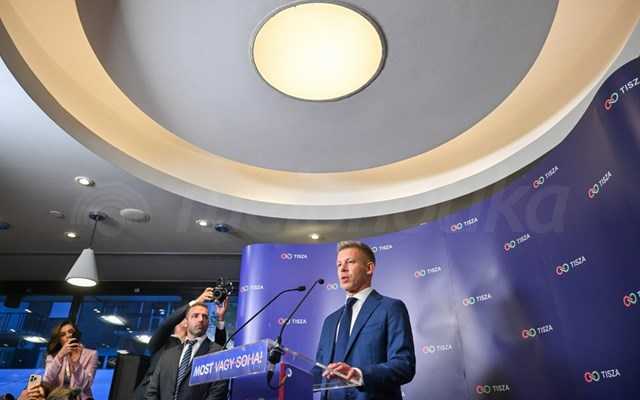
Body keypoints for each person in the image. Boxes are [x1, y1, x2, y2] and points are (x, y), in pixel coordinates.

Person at [315, 241, 416, 400]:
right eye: (339, 264)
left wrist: (359, 374)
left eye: (350, 262)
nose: (342, 268)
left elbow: (404, 365)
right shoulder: (330, 321)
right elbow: (319, 370)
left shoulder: (390, 308)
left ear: (369, 268)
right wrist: (287, 377)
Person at [134, 288, 228, 400]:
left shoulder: (204, 346)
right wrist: (197, 302)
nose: (200, 319)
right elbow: (167, 324)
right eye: (194, 315)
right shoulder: (165, 346)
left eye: (205, 316)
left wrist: (220, 318)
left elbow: (217, 351)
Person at [43, 321, 98, 400]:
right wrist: (60, 355)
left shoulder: (91, 354)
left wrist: (76, 363)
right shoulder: (52, 356)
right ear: (59, 340)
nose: (68, 335)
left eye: (70, 331)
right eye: (63, 334)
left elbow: (86, 385)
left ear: (76, 334)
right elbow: (47, 380)